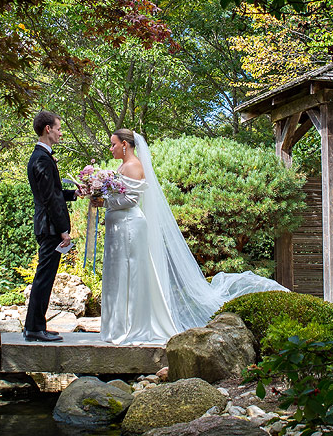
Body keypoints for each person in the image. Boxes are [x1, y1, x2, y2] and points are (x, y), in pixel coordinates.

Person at [99, 129, 285, 345]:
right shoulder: (121, 166)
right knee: (118, 273)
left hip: (129, 226)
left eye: (113, 144)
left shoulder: (133, 166)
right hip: (119, 227)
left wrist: (104, 201)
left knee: (128, 272)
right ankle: (117, 325)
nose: (110, 148)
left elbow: (131, 200)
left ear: (124, 144)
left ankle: (129, 326)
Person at [25, 110, 76, 342]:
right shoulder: (42, 159)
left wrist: (73, 193)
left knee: (44, 277)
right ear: (48, 129)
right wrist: (63, 230)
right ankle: (35, 328)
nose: (60, 133)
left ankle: (35, 326)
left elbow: (54, 192)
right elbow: (50, 199)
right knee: (44, 278)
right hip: (49, 228)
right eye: (58, 128)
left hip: (47, 226)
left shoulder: (41, 157)